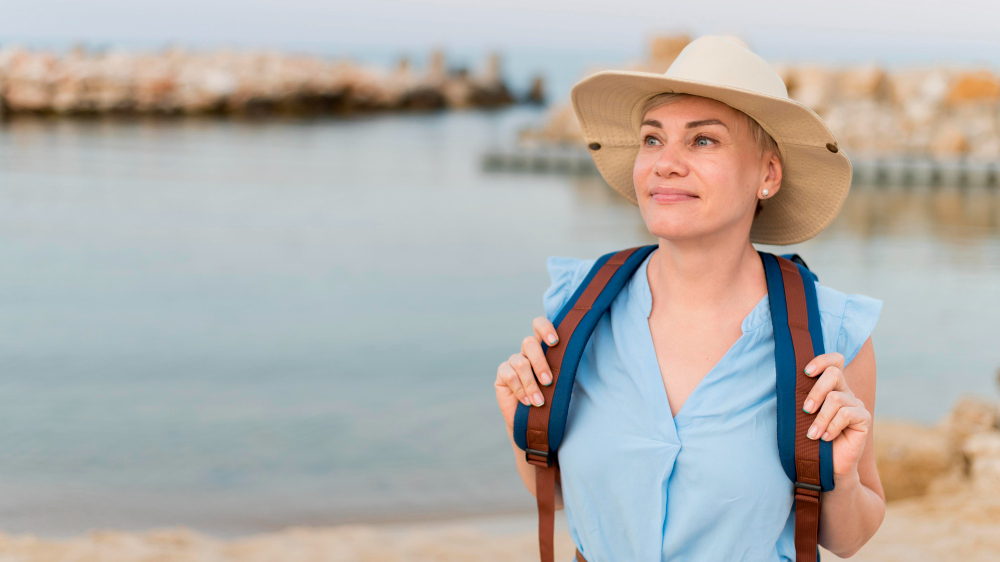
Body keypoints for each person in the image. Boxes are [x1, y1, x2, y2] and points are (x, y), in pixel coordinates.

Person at [494, 36, 885, 560]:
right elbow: (562, 496)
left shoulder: (830, 338)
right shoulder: (578, 309)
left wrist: (837, 477)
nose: (666, 163)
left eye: (703, 141)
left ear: (768, 174)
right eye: (653, 140)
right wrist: (523, 426)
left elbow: (849, 538)